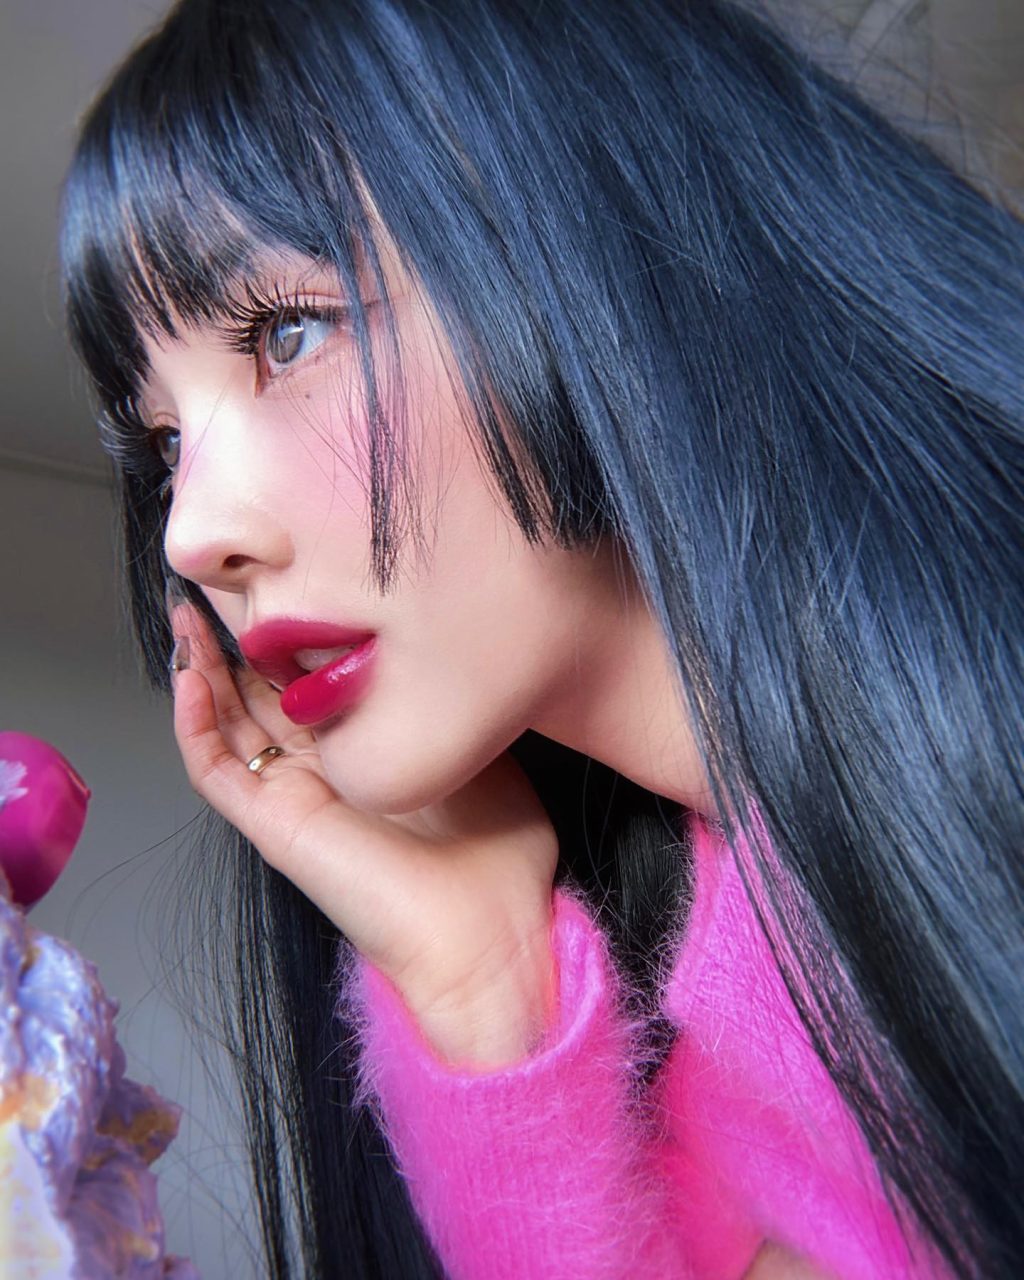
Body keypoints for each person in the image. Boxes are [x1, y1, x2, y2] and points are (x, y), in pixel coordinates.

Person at [58, 0, 1022, 1276]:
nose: (190, 532)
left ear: (590, 229)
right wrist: (483, 995)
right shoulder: (701, 1074)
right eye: (167, 442)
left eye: (287, 331)